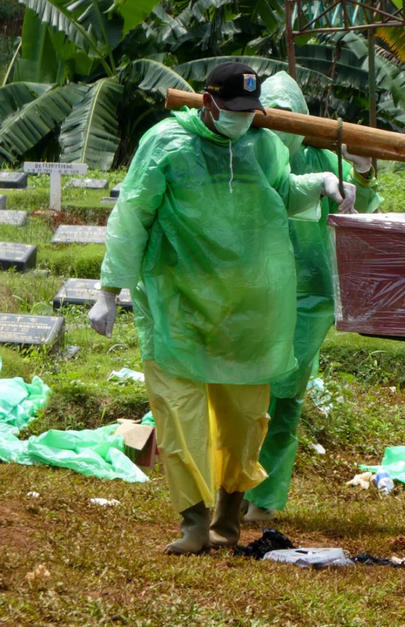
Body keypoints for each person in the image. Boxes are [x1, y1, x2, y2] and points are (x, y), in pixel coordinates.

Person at [88, 62, 355, 555]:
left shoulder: (263, 143)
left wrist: (319, 182)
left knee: (244, 418)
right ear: (208, 103)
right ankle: (193, 524)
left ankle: (228, 520)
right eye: (233, 110)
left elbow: (282, 193)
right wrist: (110, 289)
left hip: (248, 308)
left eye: (251, 111)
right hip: (178, 305)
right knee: (179, 411)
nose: (243, 119)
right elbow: (133, 213)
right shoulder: (167, 144)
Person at [242, 71, 383, 522]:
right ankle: (232, 485)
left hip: (308, 296)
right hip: (250, 291)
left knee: (284, 394)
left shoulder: (321, 158)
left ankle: (263, 498)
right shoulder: (245, 152)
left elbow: (365, 203)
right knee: (241, 391)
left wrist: (360, 168)